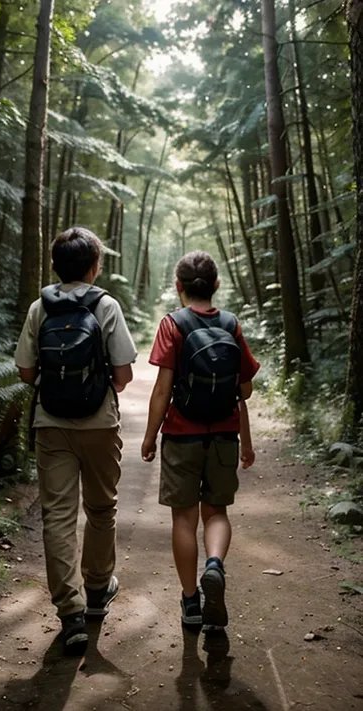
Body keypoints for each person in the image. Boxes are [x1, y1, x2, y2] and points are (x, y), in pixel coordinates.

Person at [15, 226, 137, 655]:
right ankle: (99, 590)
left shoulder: (38, 309)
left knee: (58, 517)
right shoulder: (106, 305)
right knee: (102, 508)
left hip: (51, 424)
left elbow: (27, 374)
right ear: (94, 266)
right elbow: (123, 378)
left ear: (55, 266)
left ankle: (70, 612)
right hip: (100, 424)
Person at [141, 250, 259, 632]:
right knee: (217, 512)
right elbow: (246, 389)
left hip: (181, 435)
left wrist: (149, 437)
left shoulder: (172, 325)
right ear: (216, 284)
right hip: (224, 434)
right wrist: (245, 441)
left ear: (179, 287)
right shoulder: (230, 323)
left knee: (184, 517)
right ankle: (215, 565)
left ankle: (191, 602)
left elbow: (162, 390)